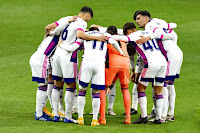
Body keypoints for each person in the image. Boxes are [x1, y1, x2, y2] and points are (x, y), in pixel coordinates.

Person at [50, 6, 107, 123]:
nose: (87, 21)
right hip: (68, 56)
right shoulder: (82, 23)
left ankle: (56, 114)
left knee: (57, 84)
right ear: (87, 16)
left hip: (57, 54)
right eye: (88, 19)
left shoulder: (69, 20)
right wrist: (97, 38)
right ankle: (68, 116)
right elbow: (80, 35)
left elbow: (55, 30)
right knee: (70, 86)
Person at [111, 22, 175, 124]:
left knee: (140, 88)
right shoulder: (148, 32)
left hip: (151, 63)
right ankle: (158, 118)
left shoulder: (133, 35)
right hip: (163, 62)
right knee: (158, 89)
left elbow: (122, 39)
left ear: (128, 31)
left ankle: (144, 116)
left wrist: (108, 36)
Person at [59, 27, 124, 126]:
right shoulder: (105, 35)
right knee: (96, 92)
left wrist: (61, 45)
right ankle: (94, 120)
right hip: (99, 65)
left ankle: (81, 118)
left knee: (82, 90)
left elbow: (72, 48)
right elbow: (114, 43)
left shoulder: (86, 35)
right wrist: (121, 52)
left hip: (87, 63)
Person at [133, 10, 183, 122]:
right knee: (169, 84)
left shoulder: (150, 26)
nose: (137, 21)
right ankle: (167, 113)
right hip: (177, 52)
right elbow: (173, 26)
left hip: (170, 55)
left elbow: (164, 34)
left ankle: (163, 116)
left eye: (138, 18)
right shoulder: (159, 22)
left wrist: (149, 37)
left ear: (146, 19)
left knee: (162, 84)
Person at [29, 16, 77, 121]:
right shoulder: (59, 38)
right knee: (42, 86)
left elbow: (48, 28)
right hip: (41, 60)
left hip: (37, 58)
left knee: (45, 85)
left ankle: (41, 111)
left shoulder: (52, 35)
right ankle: (39, 114)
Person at [97, 26, 132, 125]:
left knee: (103, 88)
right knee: (125, 89)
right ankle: (127, 117)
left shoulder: (106, 39)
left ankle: (102, 118)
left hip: (112, 62)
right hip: (125, 62)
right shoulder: (122, 39)